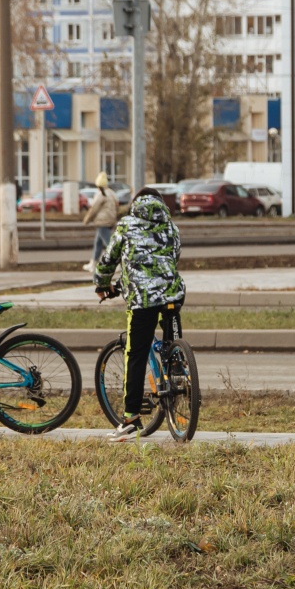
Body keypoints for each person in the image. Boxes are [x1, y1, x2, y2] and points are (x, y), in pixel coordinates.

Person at [94, 187, 186, 441]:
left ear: (136, 204)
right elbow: (173, 257)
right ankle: (177, 370)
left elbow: (108, 260)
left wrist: (102, 284)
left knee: (135, 354)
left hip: (143, 299)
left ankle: (130, 419)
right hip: (172, 294)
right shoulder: (171, 226)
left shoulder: (127, 225)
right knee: (170, 345)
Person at [83, 171, 119, 272]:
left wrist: (86, 219)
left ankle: (117, 264)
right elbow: (117, 205)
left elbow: (94, 208)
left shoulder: (101, 194)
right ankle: (93, 263)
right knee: (98, 243)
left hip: (102, 221)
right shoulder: (111, 193)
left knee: (109, 244)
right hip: (110, 220)